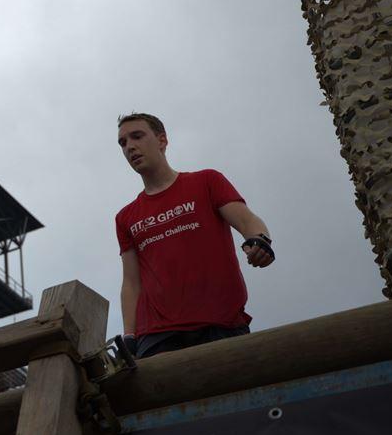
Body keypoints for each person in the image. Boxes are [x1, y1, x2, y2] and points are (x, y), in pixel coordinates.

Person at [115, 113, 275, 359]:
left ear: (162, 140)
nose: (130, 147)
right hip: (157, 338)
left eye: (137, 136)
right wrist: (129, 335)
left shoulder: (207, 181)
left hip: (220, 325)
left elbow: (247, 220)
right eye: (123, 143)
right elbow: (131, 282)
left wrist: (259, 240)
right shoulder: (125, 217)